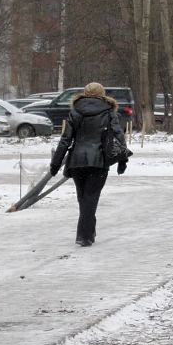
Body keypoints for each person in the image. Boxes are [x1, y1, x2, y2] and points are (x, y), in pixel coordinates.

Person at [48, 82, 128, 247]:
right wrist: (122, 159)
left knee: (83, 198)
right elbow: (118, 136)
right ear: (102, 94)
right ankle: (84, 236)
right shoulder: (109, 112)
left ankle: (88, 233)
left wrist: (55, 163)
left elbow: (65, 139)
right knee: (91, 198)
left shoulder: (75, 111)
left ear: (85, 93)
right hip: (98, 161)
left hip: (77, 161)